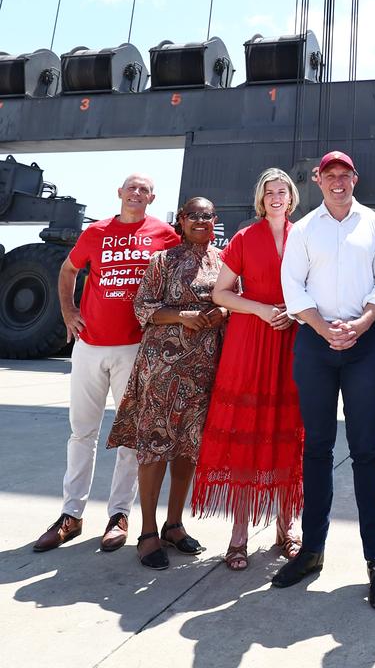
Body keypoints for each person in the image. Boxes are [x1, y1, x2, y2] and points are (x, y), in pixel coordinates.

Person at [274, 151, 375, 610]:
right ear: (318, 181)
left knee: (367, 450)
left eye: (346, 175)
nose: (338, 183)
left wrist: (362, 323)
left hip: (362, 345)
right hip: (315, 346)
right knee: (318, 448)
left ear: (355, 178)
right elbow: (294, 287)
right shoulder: (304, 230)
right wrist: (324, 328)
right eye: (331, 177)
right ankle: (311, 550)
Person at [32, 174, 178, 555]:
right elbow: (68, 269)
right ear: (120, 193)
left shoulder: (163, 233)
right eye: (131, 187)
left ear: (152, 197)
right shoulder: (96, 232)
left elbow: (184, 269)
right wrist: (68, 311)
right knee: (82, 432)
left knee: (129, 436)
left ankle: (118, 515)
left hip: (134, 347)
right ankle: (71, 515)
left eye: (144, 189)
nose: (137, 192)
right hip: (90, 345)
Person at [192, 169, 304, 571]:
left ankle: (287, 527)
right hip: (249, 342)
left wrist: (292, 313)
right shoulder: (244, 238)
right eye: (269, 192)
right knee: (248, 433)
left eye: (282, 191)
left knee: (288, 431)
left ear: (291, 197)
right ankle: (238, 534)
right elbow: (220, 292)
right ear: (261, 199)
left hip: (291, 339)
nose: (276, 197)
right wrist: (259, 308)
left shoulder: (304, 234)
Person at [106, 196, 227, 569]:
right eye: (194, 216)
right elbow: (142, 306)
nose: (201, 222)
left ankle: (174, 524)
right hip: (162, 371)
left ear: (214, 220)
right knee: (155, 447)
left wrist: (223, 310)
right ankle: (147, 532)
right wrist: (183, 315)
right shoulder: (163, 259)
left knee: (188, 448)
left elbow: (235, 301)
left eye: (207, 216)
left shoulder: (223, 262)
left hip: (204, 372)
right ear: (181, 220)